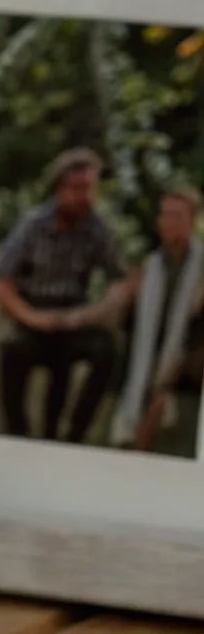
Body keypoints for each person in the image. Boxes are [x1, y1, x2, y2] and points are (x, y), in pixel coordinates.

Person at [0, 147, 127, 442]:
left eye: (89, 188)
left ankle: (75, 433)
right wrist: (33, 318)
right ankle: (17, 433)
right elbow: (2, 283)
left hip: (73, 315)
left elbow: (120, 278)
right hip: (34, 313)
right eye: (77, 189)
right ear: (60, 188)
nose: (84, 197)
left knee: (106, 350)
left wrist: (97, 312)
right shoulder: (33, 225)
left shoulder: (96, 228)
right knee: (11, 350)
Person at [109, 187, 204, 452]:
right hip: (148, 353)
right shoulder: (150, 265)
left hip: (189, 357)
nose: (169, 222)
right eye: (165, 215)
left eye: (177, 215)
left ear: (192, 222)